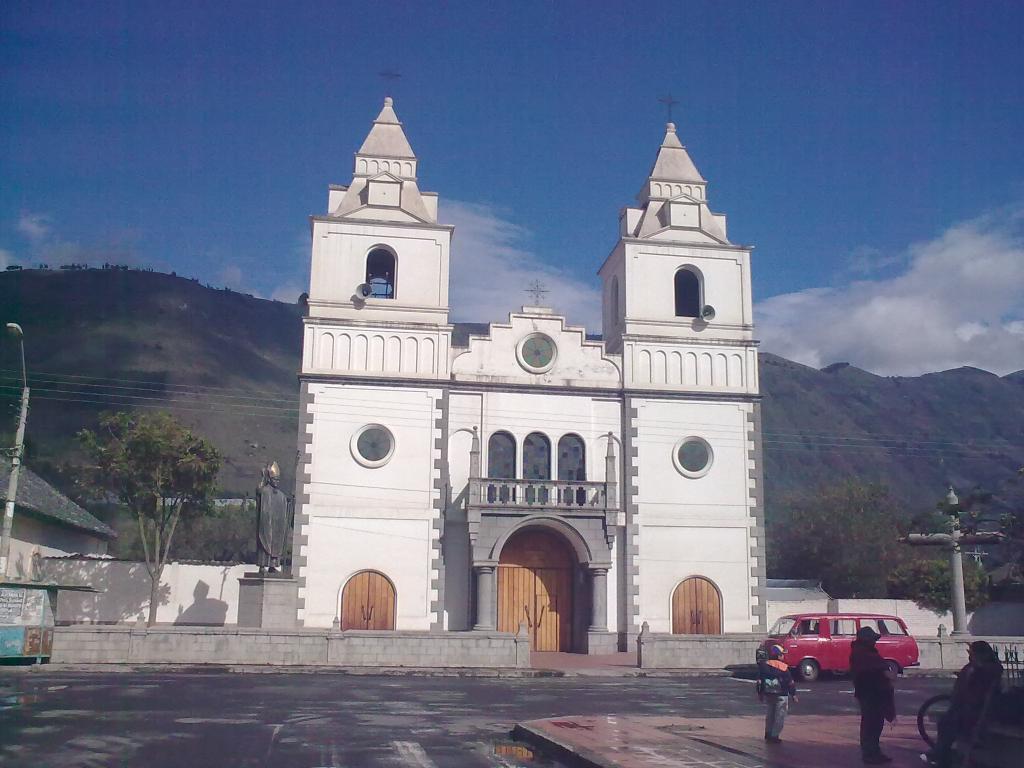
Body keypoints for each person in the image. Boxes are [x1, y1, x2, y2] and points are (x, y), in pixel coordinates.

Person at [922, 640, 1003, 767]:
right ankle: (942, 753)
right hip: (963, 706)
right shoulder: (972, 667)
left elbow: (983, 691)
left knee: (951, 723)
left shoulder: (991, 668)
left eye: (972, 653)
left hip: (979, 709)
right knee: (945, 721)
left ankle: (941, 754)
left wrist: (975, 670)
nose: (970, 656)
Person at [850, 625, 896, 764]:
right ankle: (870, 753)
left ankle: (874, 751)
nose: (874, 642)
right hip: (870, 693)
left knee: (874, 724)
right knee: (871, 725)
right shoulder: (862, 654)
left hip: (871, 692)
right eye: (872, 640)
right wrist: (885, 673)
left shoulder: (864, 652)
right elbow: (874, 670)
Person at [757, 643, 798, 743]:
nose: (783, 656)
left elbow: (760, 681)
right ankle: (775, 735)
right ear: (778, 656)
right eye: (782, 654)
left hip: (769, 693)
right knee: (780, 715)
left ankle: (768, 732)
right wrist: (793, 694)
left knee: (770, 714)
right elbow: (790, 682)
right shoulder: (783, 667)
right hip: (781, 695)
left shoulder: (764, 666)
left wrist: (760, 693)